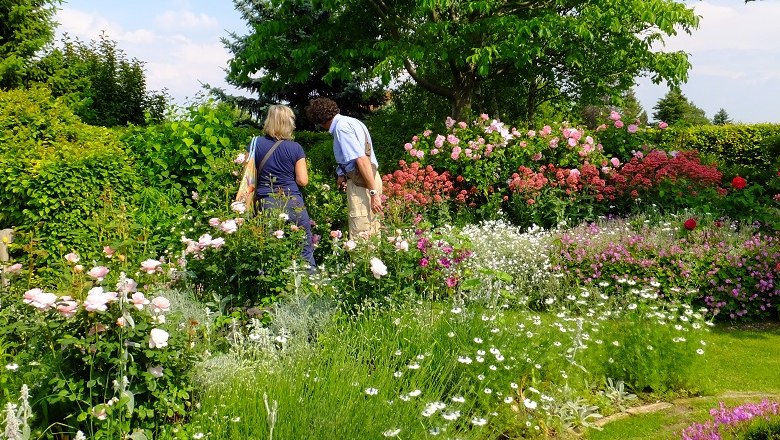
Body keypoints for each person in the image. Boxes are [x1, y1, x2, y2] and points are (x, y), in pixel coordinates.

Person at [305, 97, 382, 238]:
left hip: (363, 184)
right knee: (373, 230)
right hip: (370, 179)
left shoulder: (342, 128)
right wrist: (342, 174)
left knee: (362, 234)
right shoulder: (351, 121)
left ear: (320, 120)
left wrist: (373, 193)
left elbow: (361, 159)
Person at [252, 104, 316, 271]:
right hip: (293, 201)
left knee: (270, 249)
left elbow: (248, 175)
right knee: (303, 248)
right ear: (289, 123)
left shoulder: (255, 143)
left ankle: (271, 282)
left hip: (267, 202)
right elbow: (303, 180)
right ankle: (309, 282)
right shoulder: (295, 148)